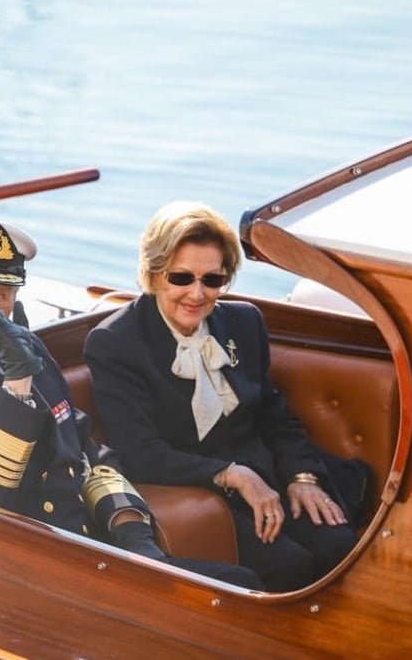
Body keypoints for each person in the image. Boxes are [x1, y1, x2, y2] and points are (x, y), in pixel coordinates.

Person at [0, 219, 262, 589]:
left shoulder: (24, 347)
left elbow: (87, 453)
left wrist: (135, 537)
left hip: (88, 549)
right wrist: (16, 385)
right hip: (13, 576)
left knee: (244, 583)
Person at [84, 202, 363, 592]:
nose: (197, 294)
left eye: (212, 280)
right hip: (199, 489)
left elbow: (274, 416)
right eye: (181, 277)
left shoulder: (245, 321)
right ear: (153, 274)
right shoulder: (116, 342)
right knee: (289, 566)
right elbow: (140, 452)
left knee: (337, 542)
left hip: (268, 473)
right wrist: (232, 475)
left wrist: (303, 477)